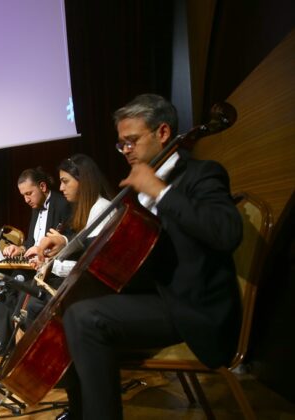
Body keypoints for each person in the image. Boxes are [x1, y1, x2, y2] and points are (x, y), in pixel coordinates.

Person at [55, 94, 242, 419]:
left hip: (194, 308)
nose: (126, 151)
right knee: (66, 308)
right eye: (121, 145)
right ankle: (79, 411)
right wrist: (69, 247)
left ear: (164, 133)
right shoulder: (138, 191)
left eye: (132, 141)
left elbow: (226, 233)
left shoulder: (201, 174)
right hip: (157, 297)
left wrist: (161, 192)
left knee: (84, 318)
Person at [0, 168, 72, 356]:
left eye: (28, 193)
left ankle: (18, 344)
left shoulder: (62, 204)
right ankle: (4, 340)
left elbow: (68, 241)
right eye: (23, 195)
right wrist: (20, 249)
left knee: (18, 283)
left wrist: (45, 254)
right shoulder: (36, 207)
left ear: (42, 186)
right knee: (3, 284)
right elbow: (31, 242)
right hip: (33, 266)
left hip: (51, 269)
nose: (26, 199)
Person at [22, 154, 115, 327]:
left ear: (83, 181)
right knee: (33, 302)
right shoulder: (89, 210)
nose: (61, 187)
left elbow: (93, 267)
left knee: (35, 305)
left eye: (66, 181)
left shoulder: (101, 209)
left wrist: (51, 265)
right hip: (84, 285)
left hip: (95, 291)